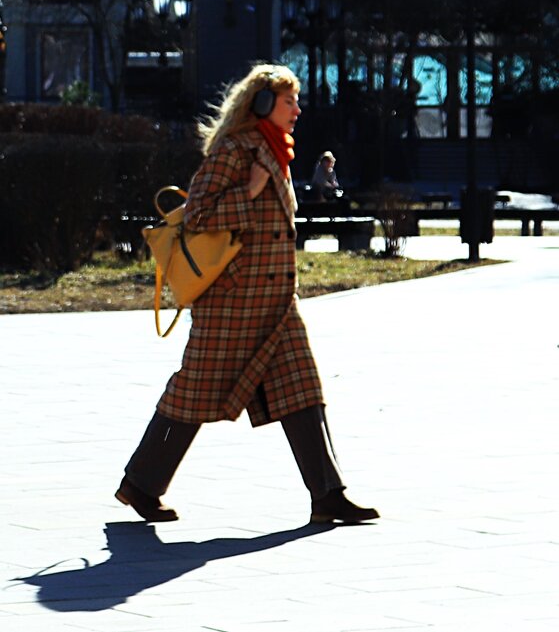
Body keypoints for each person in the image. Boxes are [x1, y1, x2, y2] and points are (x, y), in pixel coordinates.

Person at [115, 63, 378, 525]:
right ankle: (140, 484)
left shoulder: (277, 150)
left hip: (276, 301)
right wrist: (251, 191)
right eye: (288, 101)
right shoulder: (237, 151)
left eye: (296, 100)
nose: (298, 109)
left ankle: (328, 495)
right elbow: (196, 214)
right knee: (193, 393)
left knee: (303, 389)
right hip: (232, 303)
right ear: (260, 104)